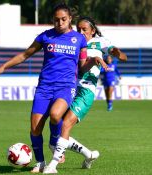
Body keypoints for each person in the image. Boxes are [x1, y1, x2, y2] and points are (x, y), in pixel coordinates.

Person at [0, 4, 106, 173]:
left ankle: (54, 145)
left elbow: (81, 66)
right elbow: (25, 55)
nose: (60, 23)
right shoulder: (45, 36)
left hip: (66, 87)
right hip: (44, 87)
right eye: (56, 20)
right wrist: (3, 67)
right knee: (35, 128)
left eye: (63, 19)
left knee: (56, 114)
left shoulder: (79, 39)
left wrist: (93, 60)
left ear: (70, 19)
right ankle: (40, 163)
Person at [43, 16, 127, 174]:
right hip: (69, 88)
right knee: (57, 127)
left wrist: (117, 53)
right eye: (78, 29)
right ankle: (89, 155)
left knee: (66, 124)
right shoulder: (74, 42)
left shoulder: (101, 42)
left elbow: (122, 56)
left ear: (93, 31)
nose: (81, 32)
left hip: (86, 90)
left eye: (84, 29)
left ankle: (52, 166)